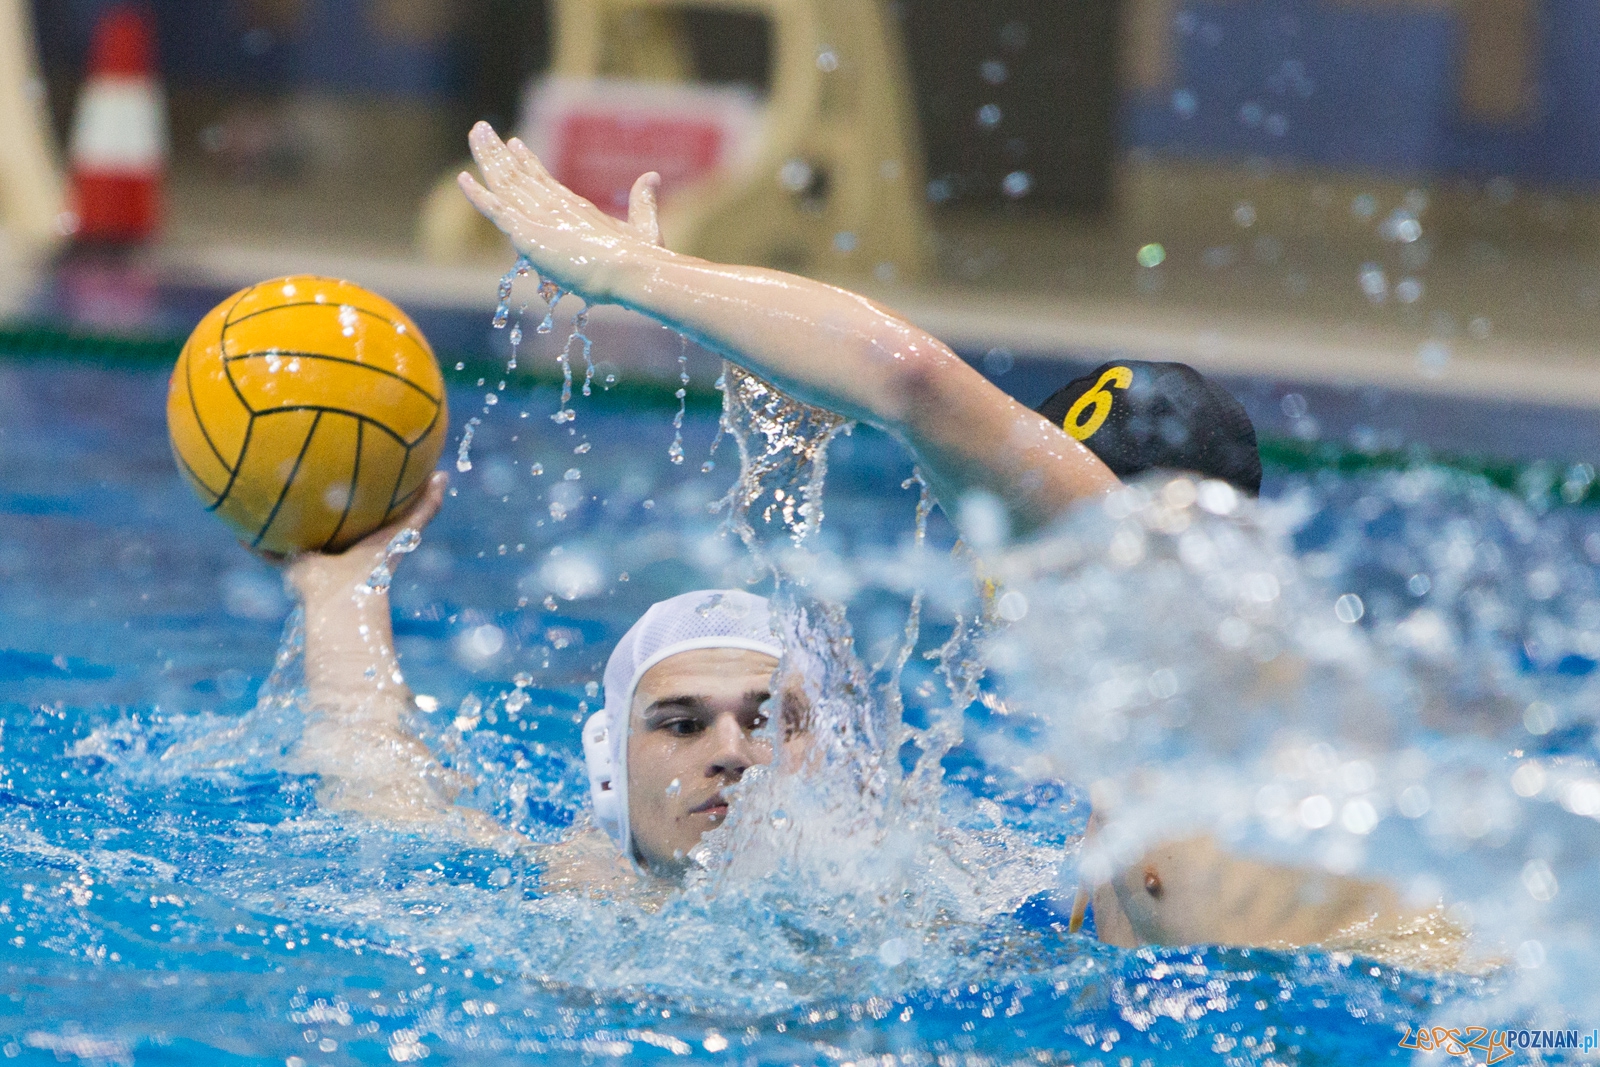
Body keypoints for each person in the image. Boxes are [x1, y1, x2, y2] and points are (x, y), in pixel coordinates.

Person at [271, 121, 1461, 964]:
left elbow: (908, 377)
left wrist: (633, 271)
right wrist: (339, 596)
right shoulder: (1083, 823)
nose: (1008, 568)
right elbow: (404, 820)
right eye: (680, 720)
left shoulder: (1234, 708)